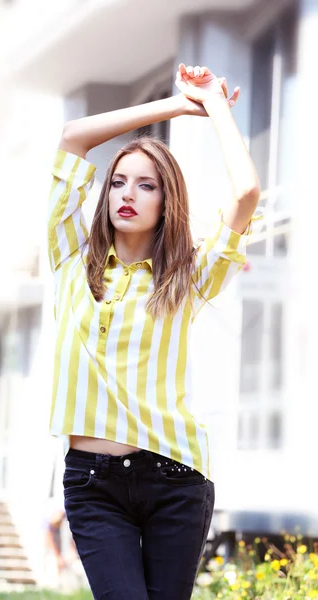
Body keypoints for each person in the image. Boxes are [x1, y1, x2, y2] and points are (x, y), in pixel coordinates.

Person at [46, 63, 261, 600]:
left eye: (146, 185)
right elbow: (73, 137)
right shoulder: (71, 255)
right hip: (92, 485)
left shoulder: (186, 276)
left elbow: (247, 195)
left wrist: (214, 107)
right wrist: (176, 104)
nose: (127, 193)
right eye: (118, 181)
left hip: (175, 478)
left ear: (167, 202)